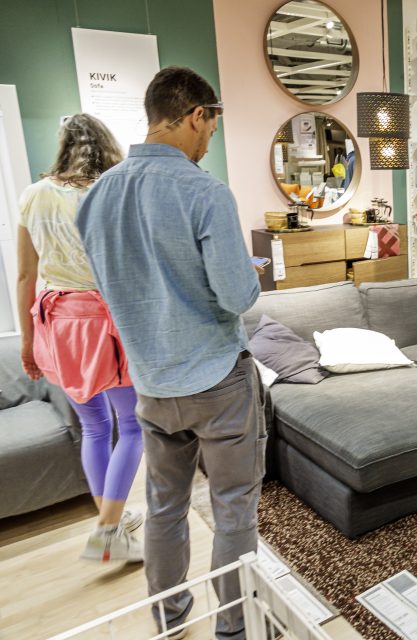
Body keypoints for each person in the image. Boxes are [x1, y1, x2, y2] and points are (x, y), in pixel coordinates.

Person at [76, 67, 262, 640]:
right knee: (233, 509)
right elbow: (237, 295)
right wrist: (249, 278)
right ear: (195, 115)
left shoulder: (96, 195)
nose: (211, 141)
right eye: (212, 125)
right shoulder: (204, 191)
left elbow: (112, 286)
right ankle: (234, 628)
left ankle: (170, 621)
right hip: (217, 380)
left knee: (164, 508)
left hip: (152, 383)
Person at [16, 114, 144, 563]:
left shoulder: (33, 196)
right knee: (131, 426)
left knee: (95, 426)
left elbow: (25, 276)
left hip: (59, 323)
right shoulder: (112, 192)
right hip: (106, 322)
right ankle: (110, 528)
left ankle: (110, 524)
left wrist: (28, 341)